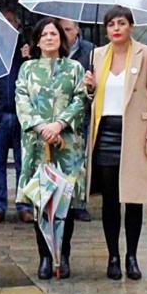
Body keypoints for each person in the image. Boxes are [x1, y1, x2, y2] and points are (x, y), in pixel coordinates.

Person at [85, 6, 147, 281]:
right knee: (110, 199)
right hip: (105, 132)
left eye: (121, 23)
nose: (116, 28)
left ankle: (132, 255)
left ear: (131, 26)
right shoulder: (97, 55)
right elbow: (91, 98)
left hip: (135, 132)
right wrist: (89, 87)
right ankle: (113, 256)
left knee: (134, 198)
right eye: (111, 24)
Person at [15, 18, 88, 279]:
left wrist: (59, 125)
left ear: (62, 38)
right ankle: (45, 255)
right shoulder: (27, 69)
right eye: (44, 34)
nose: (49, 38)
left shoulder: (75, 68)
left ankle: (63, 254)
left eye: (54, 33)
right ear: (36, 40)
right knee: (41, 200)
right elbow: (21, 100)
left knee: (63, 203)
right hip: (37, 146)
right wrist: (41, 127)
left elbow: (80, 100)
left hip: (66, 145)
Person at [0, 8, 33, 225]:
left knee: (24, 163)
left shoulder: (26, 52)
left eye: (11, 23)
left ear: (18, 27)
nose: (7, 27)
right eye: (2, 23)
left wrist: (27, 59)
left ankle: (24, 205)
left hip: (22, 115)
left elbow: (33, 82)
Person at [59, 18, 94, 224]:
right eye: (61, 29)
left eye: (68, 29)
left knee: (81, 160)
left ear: (77, 30)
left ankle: (79, 204)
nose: (65, 34)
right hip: (60, 114)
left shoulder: (90, 50)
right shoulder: (56, 50)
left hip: (84, 111)